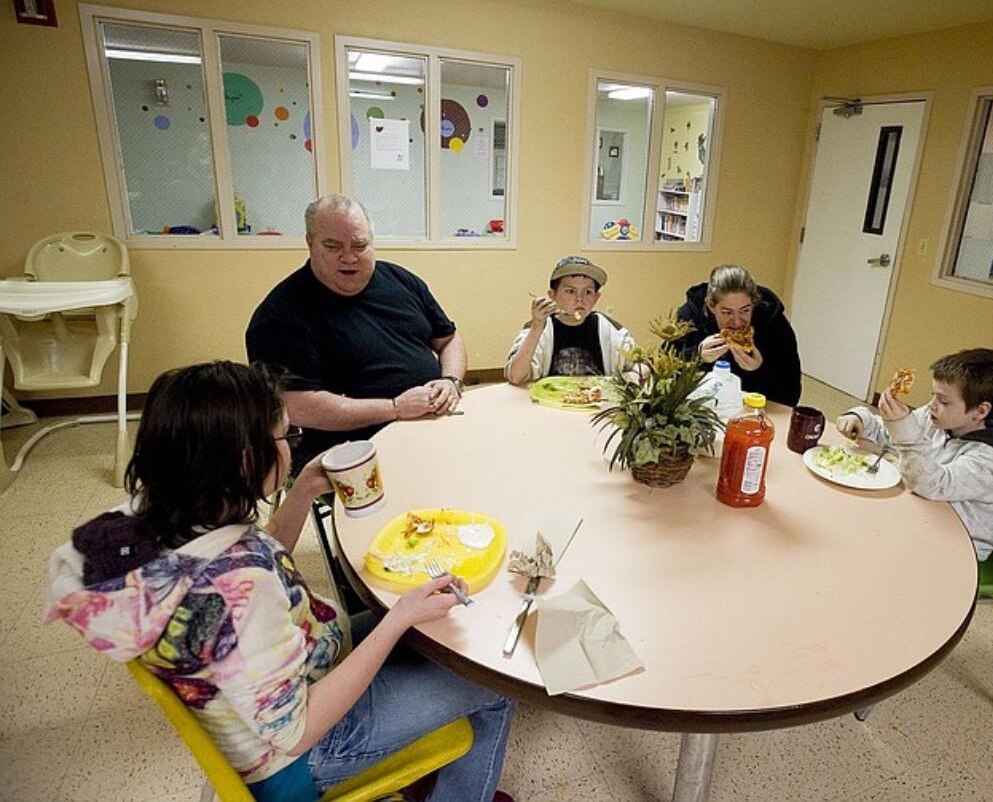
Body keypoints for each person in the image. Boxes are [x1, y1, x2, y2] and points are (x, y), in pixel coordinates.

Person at [45, 361, 515, 801]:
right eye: (285, 435)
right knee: (494, 680)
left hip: (290, 673)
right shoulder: (237, 590)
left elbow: (260, 565)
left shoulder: (150, 517)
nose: (292, 443)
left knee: (438, 635)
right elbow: (297, 728)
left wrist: (307, 485)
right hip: (297, 760)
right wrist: (398, 620)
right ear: (249, 459)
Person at [247, 195, 466, 471]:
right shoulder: (280, 314)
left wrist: (450, 381)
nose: (349, 257)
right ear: (310, 243)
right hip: (350, 449)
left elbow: (449, 339)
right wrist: (396, 408)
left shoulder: (402, 281)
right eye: (333, 246)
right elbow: (297, 406)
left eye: (360, 245)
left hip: (429, 423)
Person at [835, 348, 993, 560]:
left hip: (961, 544)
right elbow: (890, 437)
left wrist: (904, 429)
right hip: (922, 515)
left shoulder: (990, 459)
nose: (932, 405)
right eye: (933, 395)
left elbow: (934, 485)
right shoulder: (936, 417)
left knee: (874, 550)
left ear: (980, 411)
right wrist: (861, 419)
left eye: (944, 401)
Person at [673, 264, 802, 406]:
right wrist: (696, 355)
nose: (737, 321)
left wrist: (758, 369)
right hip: (698, 408)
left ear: (754, 303)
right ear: (711, 306)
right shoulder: (690, 316)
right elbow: (664, 371)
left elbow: (790, 394)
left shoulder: (773, 322)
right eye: (727, 312)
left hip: (754, 410)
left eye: (745, 310)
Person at [504, 255, 635, 385]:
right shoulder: (539, 326)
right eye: (570, 291)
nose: (580, 299)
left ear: (596, 297)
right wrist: (537, 326)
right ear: (553, 295)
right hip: (549, 402)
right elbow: (516, 377)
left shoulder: (610, 329)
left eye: (588, 292)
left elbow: (642, 366)